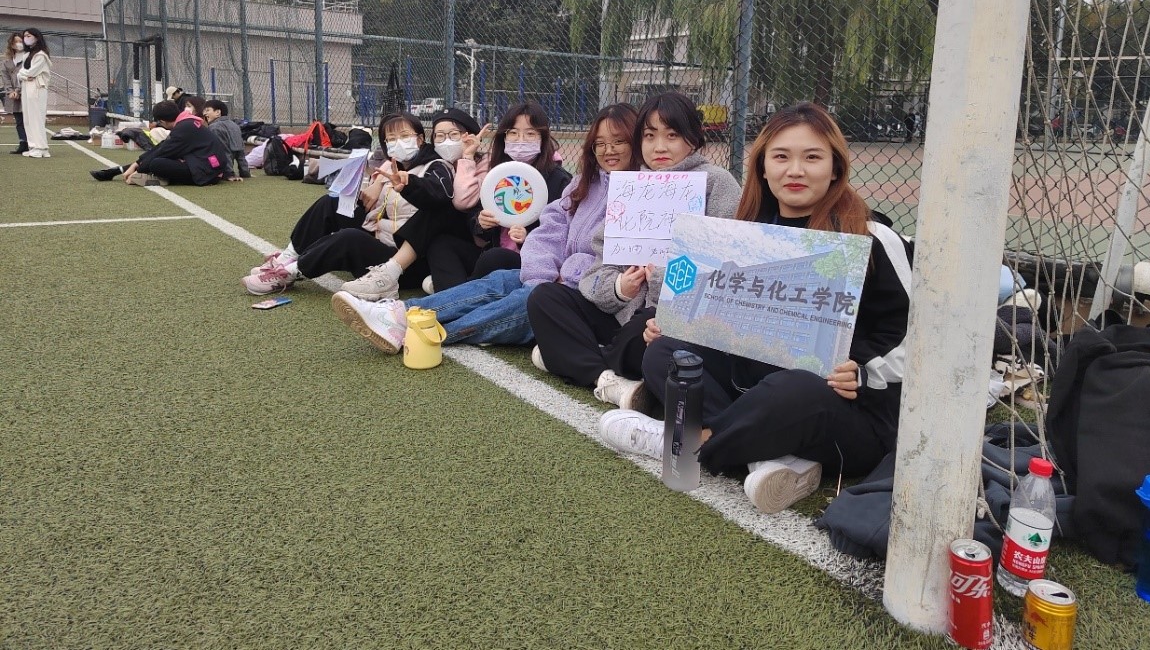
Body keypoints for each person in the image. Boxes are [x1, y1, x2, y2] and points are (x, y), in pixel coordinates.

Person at [598, 102, 913, 514]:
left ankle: (683, 442)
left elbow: (915, 335)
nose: (795, 170)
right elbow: (722, 317)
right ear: (762, 167)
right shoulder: (745, 233)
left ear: (836, 167)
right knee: (665, 352)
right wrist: (674, 323)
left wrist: (863, 372)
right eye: (780, 157)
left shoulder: (872, 236)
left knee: (796, 387)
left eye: (812, 157)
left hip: (842, 409)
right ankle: (767, 456)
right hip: (753, 388)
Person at [330, 104, 638, 352]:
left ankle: (419, 332)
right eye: (600, 143)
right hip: (555, 279)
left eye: (619, 141)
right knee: (503, 279)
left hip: (596, 295)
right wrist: (543, 273)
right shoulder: (585, 183)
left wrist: (560, 277)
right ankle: (401, 312)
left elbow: (614, 260)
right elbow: (551, 231)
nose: (608, 150)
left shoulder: (638, 194)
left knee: (529, 297)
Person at [526, 91, 742, 409]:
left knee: (647, 331)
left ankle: (574, 357)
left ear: (694, 138)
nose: (660, 147)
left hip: (668, 321)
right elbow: (596, 271)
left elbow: (726, 267)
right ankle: (606, 377)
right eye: (650, 136)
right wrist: (618, 288)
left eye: (672, 135)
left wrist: (661, 280)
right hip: (620, 313)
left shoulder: (717, 183)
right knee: (545, 298)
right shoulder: (632, 185)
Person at [342, 101, 572, 300]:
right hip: (489, 249)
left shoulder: (559, 180)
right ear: (504, 137)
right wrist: (481, 223)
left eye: (530, 134)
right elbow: (472, 214)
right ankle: (445, 292)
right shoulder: (498, 171)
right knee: (442, 243)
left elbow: (564, 235)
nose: (520, 141)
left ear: (543, 138)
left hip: (528, 261)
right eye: (513, 133)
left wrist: (528, 239)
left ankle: (452, 298)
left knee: (495, 257)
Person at [241, 110, 482, 296]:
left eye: (405, 136)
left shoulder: (440, 167)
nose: (398, 142)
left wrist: (408, 184)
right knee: (332, 202)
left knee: (349, 238)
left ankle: (290, 272)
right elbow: (389, 176)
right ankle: (288, 255)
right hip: (382, 236)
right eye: (391, 138)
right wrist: (373, 186)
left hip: (408, 258)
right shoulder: (395, 165)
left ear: (420, 140)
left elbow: (437, 193)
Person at [89, 99, 232, 186]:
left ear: (162, 121)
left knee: (157, 163)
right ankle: (116, 171)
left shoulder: (185, 127)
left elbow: (163, 152)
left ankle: (161, 178)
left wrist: (139, 169)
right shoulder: (186, 123)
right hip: (202, 164)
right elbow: (162, 147)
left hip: (206, 172)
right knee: (155, 157)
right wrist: (136, 164)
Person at [15, 28, 51, 158]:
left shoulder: (41, 55)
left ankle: (41, 147)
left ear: (37, 37)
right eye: (25, 36)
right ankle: (34, 146)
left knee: (36, 118)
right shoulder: (27, 55)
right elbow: (21, 73)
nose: (26, 38)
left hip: (37, 87)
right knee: (28, 118)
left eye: (29, 35)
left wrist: (22, 74)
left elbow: (32, 72)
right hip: (26, 86)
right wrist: (22, 75)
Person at [203, 99, 249, 180]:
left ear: (218, 112)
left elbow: (223, 151)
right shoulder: (235, 125)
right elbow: (240, 152)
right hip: (236, 167)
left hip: (222, 170)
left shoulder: (214, 127)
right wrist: (245, 172)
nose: (204, 113)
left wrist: (229, 174)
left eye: (207, 110)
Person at [4, 33, 28, 154]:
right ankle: (23, 143)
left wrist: (18, 90)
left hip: (26, 91)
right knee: (19, 120)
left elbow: (26, 75)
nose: (18, 44)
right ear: (11, 44)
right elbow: (5, 77)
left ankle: (32, 143)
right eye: (16, 42)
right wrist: (10, 91)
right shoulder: (7, 61)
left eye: (20, 41)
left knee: (28, 119)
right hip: (13, 95)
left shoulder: (28, 57)